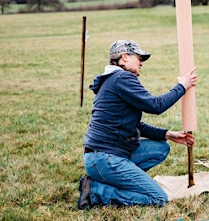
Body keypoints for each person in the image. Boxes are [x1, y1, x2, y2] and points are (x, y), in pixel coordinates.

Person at [78, 39, 197, 209]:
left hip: (102, 155)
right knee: (158, 198)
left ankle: (116, 180)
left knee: (161, 148)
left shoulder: (113, 79)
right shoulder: (122, 78)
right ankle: (96, 191)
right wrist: (182, 86)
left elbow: (135, 124)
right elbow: (155, 106)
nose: (141, 62)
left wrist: (167, 134)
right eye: (138, 57)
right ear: (124, 57)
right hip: (105, 157)